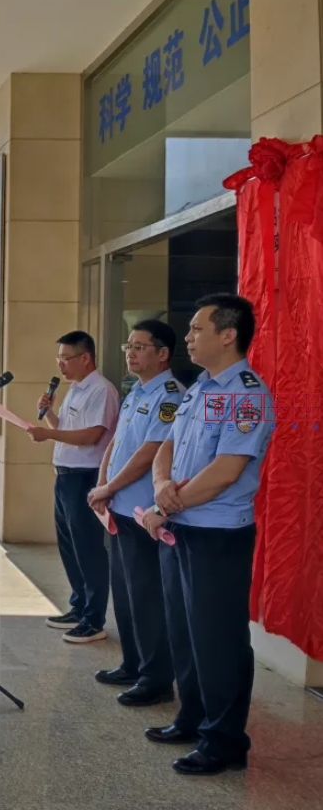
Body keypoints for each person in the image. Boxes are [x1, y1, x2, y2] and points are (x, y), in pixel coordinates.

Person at [142, 293, 274, 776]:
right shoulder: (200, 388)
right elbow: (168, 446)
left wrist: (161, 505)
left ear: (228, 334)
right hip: (181, 527)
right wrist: (161, 486)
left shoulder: (247, 393)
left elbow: (225, 472)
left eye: (198, 329)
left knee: (219, 640)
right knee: (185, 632)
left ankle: (224, 741)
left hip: (218, 536)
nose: (189, 336)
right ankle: (192, 717)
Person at [87, 320, 181, 706]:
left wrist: (111, 487)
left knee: (146, 596)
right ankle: (131, 663)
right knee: (124, 594)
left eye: (140, 346)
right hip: (119, 508)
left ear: (162, 354)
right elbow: (116, 444)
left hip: (144, 513)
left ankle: (155, 677)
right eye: (129, 345)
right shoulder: (134, 392)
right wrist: (102, 485)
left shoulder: (171, 395)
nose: (131, 352)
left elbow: (149, 454)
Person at [27, 330, 120, 644]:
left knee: (88, 548)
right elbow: (66, 430)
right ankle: (78, 606)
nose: (61, 365)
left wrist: (48, 434)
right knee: (69, 546)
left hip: (86, 477)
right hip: (65, 476)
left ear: (85, 358)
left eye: (66, 358)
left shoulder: (101, 391)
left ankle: (94, 619)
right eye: (59, 359)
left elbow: (92, 436)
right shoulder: (75, 389)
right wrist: (51, 415)